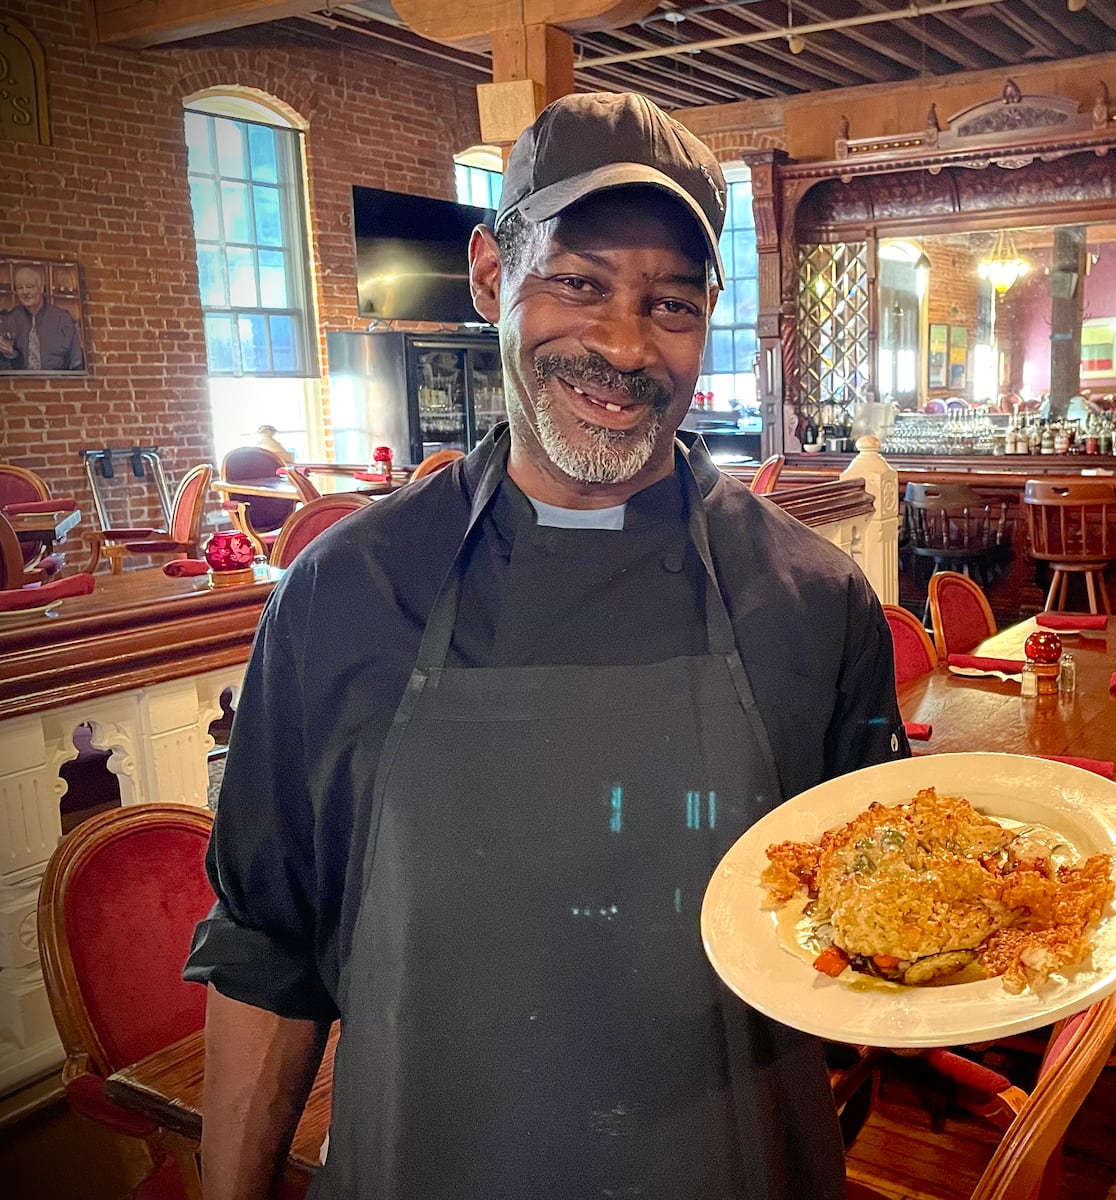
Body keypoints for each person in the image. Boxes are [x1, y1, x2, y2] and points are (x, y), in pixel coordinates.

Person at [184, 92, 907, 1200]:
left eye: (670, 303)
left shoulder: (812, 601)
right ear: (488, 276)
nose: (623, 345)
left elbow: (874, 915)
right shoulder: (344, 595)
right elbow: (265, 952)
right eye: (577, 282)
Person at [0, 265, 84, 371]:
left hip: (57, 384)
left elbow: (76, 363)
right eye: (20, 288)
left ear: (40, 288)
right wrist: (9, 354)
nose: (25, 292)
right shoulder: (9, 319)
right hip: (21, 385)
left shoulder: (62, 319)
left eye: (29, 286)